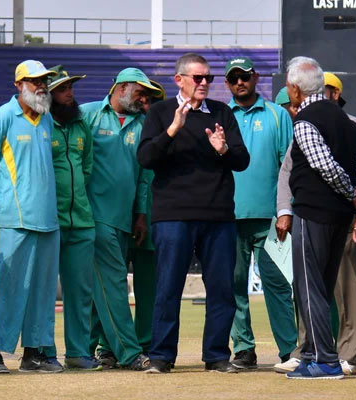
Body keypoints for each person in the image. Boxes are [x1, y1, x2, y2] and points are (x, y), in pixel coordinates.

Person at [138, 52, 250, 374]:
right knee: (168, 288)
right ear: (180, 80)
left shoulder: (222, 113)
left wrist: (223, 149)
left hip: (218, 216)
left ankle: (216, 356)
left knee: (221, 290)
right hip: (173, 215)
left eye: (208, 78)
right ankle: (161, 357)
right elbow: (145, 157)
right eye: (197, 78)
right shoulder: (160, 112)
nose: (204, 83)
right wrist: (173, 129)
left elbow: (242, 161)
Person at [281, 56, 356, 380]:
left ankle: (324, 360)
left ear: (295, 89)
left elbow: (323, 165)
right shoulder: (348, 123)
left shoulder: (305, 121)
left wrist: (350, 192)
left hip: (313, 213)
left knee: (310, 288)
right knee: (318, 286)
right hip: (341, 218)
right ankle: (310, 355)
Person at [0, 60, 62, 374]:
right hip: (15, 218)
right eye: (35, 80)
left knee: (42, 292)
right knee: (7, 287)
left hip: (48, 219)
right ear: (18, 85)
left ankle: (33, 354)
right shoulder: (3, 117)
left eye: (45, 80)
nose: (42, 86)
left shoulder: (47, 119)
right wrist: (2, 197)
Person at [80, 68, 160, 371]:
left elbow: (143, 178)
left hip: (125, 220)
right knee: (112, 285)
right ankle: (128, 352)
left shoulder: (142, 125)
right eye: (140, 93)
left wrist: (140, 215)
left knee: (101, 287)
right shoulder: (87, 115)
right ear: (122, 87)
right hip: (94, 216)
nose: (144, 100)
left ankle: (89, 351)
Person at [223, 56, 296, 370]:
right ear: (228, 82)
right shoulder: (220, 115)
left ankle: (290, 350)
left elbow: (289, 167)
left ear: (255, 78)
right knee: (232, 285)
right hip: (228, 217)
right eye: (234, 78)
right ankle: (244, 350)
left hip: (271, 217)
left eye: (245, 76)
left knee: (278, 285)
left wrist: (284, 210)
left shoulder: (278, 115)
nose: (240, 82)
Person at [36, 65, 101, 371]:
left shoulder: (80, 126)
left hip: (82, 221)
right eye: (63, 89)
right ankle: (45, 351)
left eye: (71, 88)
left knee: (80, 292)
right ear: (48, 95)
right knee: (47, 290)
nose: (70, 94)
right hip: (50, 222)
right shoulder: (40, 125)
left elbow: (86, 167)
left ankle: (77, 351)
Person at [127, 79, 166, 355]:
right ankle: (106, 344)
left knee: (147, 291)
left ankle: (145, 342)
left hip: (150, 222)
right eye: (143, 98)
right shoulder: (123, 127)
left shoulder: (165, 135)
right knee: (108, 287)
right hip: (115, 217)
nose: (146, 105)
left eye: (153, 100)